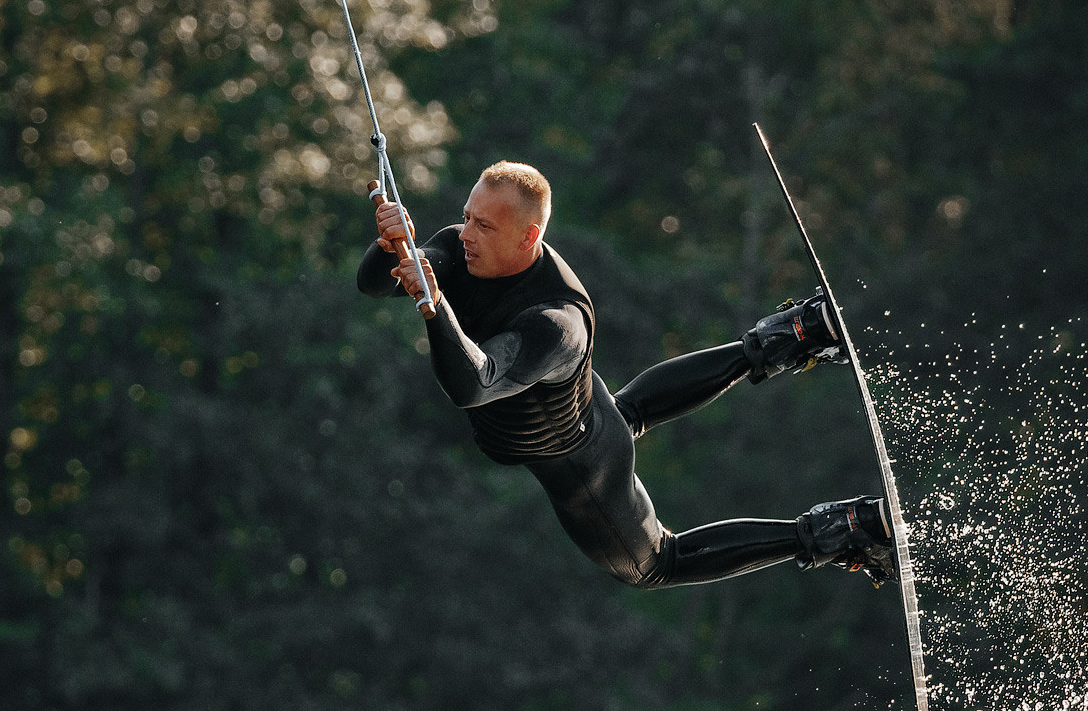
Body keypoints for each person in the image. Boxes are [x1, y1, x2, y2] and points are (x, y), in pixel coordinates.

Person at [358, 160, 895, 588]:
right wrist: (392, 247)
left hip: (580, 465)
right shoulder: (462, 246)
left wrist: (433, 308)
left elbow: (473, 384)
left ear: (528, 238)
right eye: (468, 216)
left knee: (660, 563)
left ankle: (838, 530)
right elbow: (374, 284)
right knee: (628, 411)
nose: (466, 233)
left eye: (484, 225)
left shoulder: (557, 320)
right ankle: (790, 336)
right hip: (591, 410)